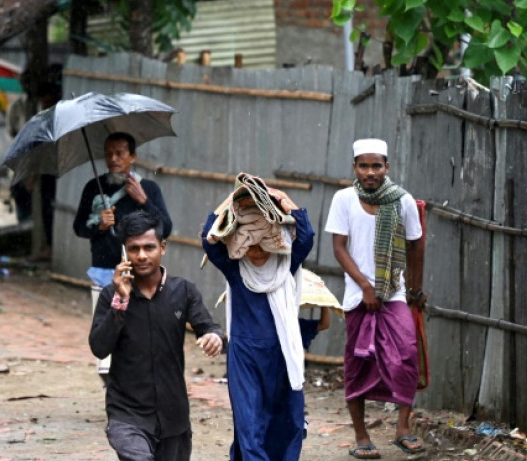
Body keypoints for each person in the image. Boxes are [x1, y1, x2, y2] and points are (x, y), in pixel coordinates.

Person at [89, 210, 223, 461]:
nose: (141, 255)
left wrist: (214, 337)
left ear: (162, 248)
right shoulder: (111, 295)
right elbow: (99, 347)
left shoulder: (183, 291)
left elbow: (208, 327)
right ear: (124, 252)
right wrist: (121, 300)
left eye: (148, 247)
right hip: (126, 414)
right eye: (133, 248)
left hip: (174, 416)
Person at [323, 138, 426, 459]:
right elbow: (339, 247)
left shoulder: (402, 201)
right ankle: (361, 435)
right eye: (364, 166)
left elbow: (416, 244)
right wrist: (365, 287)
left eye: (376, 165)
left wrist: (414, 291)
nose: (370, 172)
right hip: (358, 296)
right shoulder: (344, 199)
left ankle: (403, 428)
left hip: (394, 293)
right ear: (354, 167)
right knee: (358, 363)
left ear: (387, 167)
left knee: (408, 354)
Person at [201, 176, 315, 461]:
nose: (256, 252)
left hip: (280, 355)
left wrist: (281, 198)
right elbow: (208, 237)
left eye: (263, 243)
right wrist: (234, 199)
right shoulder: (235, 270)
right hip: (245, 358)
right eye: (248, 245)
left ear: (275, 241)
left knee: (283, 423)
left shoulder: (286, 266)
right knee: (249, 424)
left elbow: (307, 234)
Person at [74, 132, 173, 376]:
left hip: (140, 273)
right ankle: (111, 385)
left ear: (133, 157)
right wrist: (99, 224)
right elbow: (78, 227)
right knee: (106, 328)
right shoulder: (94, 188)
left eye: (120, 153)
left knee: (138, 329)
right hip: (104, 271)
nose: (113, 159)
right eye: (109, 154)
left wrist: (143, 200)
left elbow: (165, 228)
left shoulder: (147, 188)